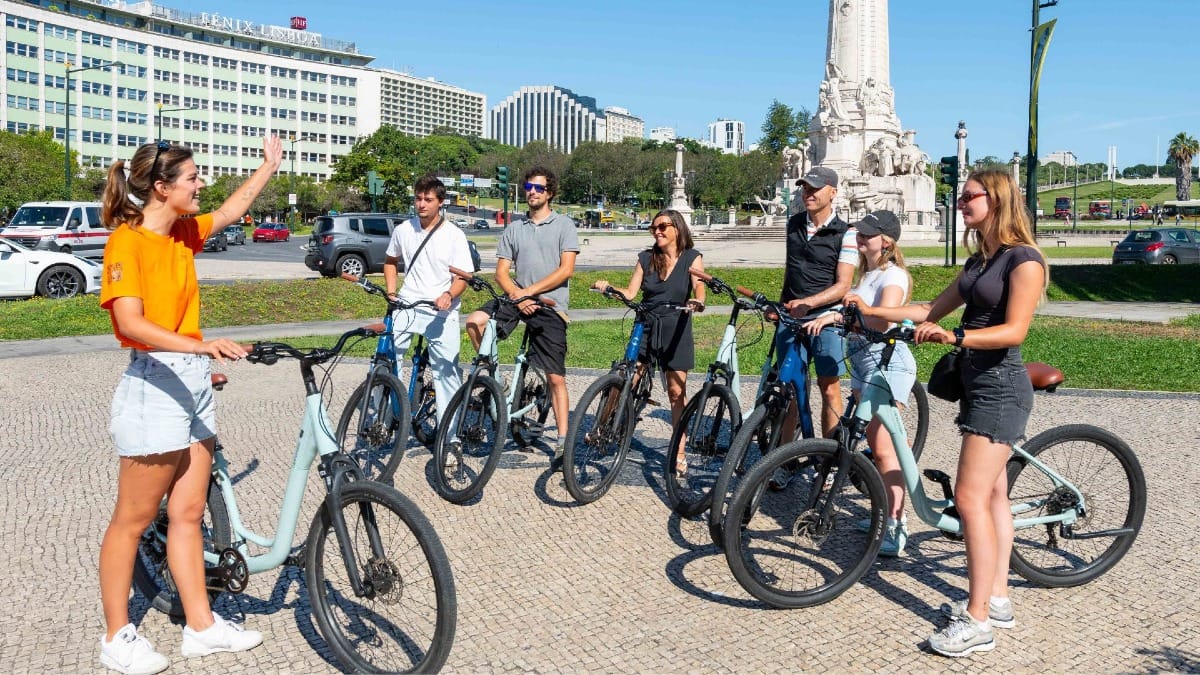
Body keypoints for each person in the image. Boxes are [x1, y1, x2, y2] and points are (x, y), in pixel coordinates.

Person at [97, 136, 282, 674]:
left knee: (188, 512)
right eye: (193, 177)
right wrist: (200, 345)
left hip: (192, 380)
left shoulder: (181, 233)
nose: (202, 185)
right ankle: (116, 636)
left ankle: (200, 627)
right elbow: (130, 324)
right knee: (131, 521)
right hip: (155, 382)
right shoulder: (125, 244)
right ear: (161, 187)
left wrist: (267, 168)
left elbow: (230, 211)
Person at [846, 169, 1047, 657]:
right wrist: (869, 312)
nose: (960, 203)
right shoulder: (981, 262)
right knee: (994, 494)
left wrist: (957, 338)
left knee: (969, 497)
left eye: (969, 196)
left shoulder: (1024, 260)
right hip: (976, 382)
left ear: (995, 200)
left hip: (1001, 385)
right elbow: (929, 310)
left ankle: (977, 622)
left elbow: (1015, 331)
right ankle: (996, 598)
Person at [805, 210, 916, 556]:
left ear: (887, 240)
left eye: (869, 234)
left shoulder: (893, 276)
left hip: (887, 366)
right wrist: (831, 317)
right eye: (860, 234)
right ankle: (884, 512)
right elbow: (857, 312)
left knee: (883, 450)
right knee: (871, 444)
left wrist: (858, 308)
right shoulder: (870, 275)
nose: (861, 239)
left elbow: (882, 320)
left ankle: (897, 525)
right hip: (863, 363)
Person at [464, 166, 579, 465]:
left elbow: (565, 270)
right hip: (517, 297)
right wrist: (518, 294)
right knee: (474, 322)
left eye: (539, 188)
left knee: (555, 378)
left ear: (550, 193)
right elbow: (502, 272)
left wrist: (530, 293)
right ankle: (498, 379)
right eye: (529, 187)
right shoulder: (514, 228)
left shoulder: (564, 225)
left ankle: (563, 441)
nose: (532, 192)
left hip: (550, 304)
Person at [589, 209, 706, 472]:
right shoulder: (645, 258)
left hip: (676, 325)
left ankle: (679, 450)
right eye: (654, 228)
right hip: (645, 323)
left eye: (663, 226)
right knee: (626, 379)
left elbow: (699, 286)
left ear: (677, 228)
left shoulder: (691, 257)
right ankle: (602, 426)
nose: (658, 231)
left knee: (677, 392)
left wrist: (698, 301)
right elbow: (631, 292)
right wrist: (607, 287)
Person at [769, 166, 859, 490]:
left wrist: (811, 302)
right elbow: (790, 272)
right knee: (790, 390)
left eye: (816, 188)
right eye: (805, 187)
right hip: (792, 316)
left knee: (829, 386)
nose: (809, 193)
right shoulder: (793, 224)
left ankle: (830, 458)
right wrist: (780, 306)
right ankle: (786, 460)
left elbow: (844, 284)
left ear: (833, 192)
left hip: (827, 318)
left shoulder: (845, 233)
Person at [382, 175, 474, 462]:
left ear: (441, 202)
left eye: (428, 200)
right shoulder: (403, 230)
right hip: (408, 302)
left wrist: (449, 294)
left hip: (441, 310)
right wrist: (392, 290)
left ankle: (450, 438)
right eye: (418, 198)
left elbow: (463, 278)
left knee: (446, 373)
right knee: (386, 360)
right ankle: (384, 420)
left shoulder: (454, 235)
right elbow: (390, 261)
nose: (421, 204)